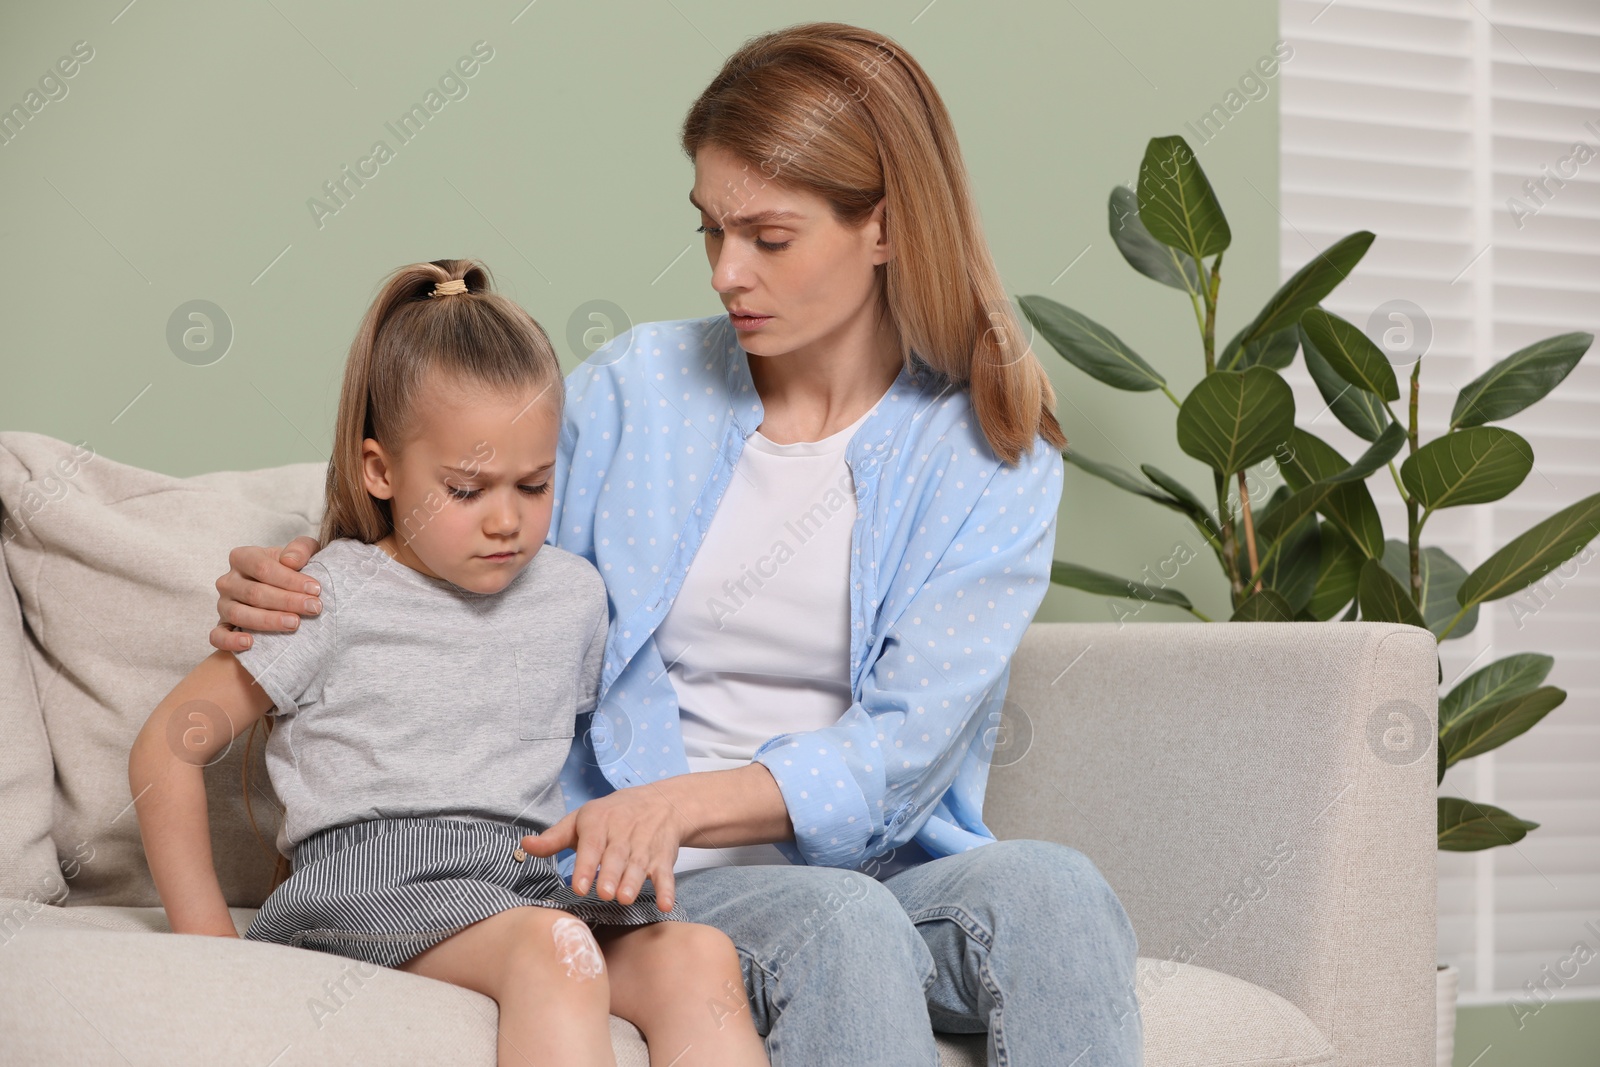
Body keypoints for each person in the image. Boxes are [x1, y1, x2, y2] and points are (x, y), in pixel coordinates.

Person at [208, 22, 1142, 1067]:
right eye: (710, 230)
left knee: (1057, 890)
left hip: (871, 869)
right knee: (838, 920)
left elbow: (905, 746)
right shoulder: (634, 392)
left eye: (768, 238)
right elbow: (460, 544)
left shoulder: (990, 452)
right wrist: (312, 562)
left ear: (881, 226)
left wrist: (679, 801)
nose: (724, 272)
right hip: (644, 885)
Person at [129, 259, 769, 1067]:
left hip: (518, 880)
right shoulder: (330, 594)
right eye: (467, 490)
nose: (506, 519)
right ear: (381, 471)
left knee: (699, 957)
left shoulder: (574, 598)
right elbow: (165, 745)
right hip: (368, 886)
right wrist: (212, 949)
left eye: (533, 485)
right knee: (557, 948)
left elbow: (609, 759)